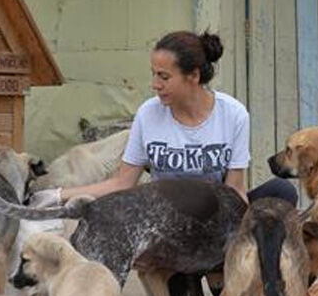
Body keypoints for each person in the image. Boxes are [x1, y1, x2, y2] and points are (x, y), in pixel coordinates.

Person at [52, 30, 298, 206]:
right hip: (169, 218)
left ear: (193, 76)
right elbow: (122, 183)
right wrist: (58, 195)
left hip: (215, 215)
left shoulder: (233, 115)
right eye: (154, 75)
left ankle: (232, 268)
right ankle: (183, 274)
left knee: (281, 191)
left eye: (164, 77)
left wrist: (240, 242)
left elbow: (234, 189)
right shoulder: (148, 114)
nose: (155, 85)